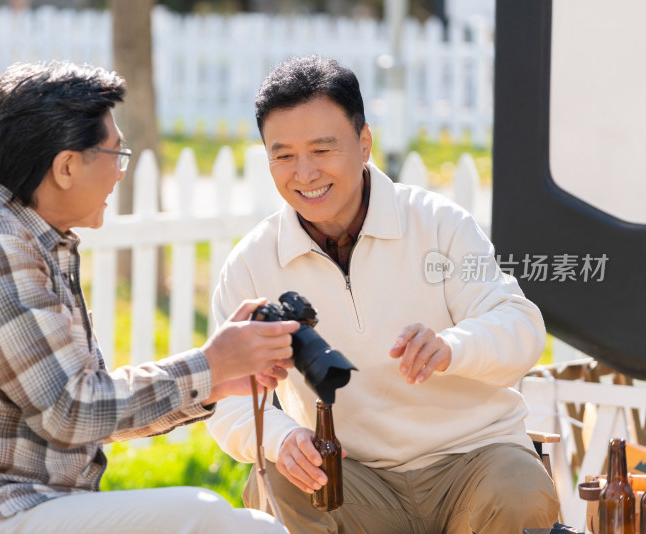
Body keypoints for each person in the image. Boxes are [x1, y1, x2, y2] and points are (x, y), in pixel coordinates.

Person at [0, 61, 298, 534]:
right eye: (116, 155)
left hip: (20, 509)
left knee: (251, 527)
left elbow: (83, 409)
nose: (120, 174)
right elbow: (72, 412)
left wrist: (216, 383)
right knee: (208, 516)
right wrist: (210, 364)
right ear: (67, 166)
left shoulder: (23, 240)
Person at [205, 55, 560, 533]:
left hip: (472, 463)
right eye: (283, 154)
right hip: (354, 478)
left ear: (364, 142)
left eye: (322, 149)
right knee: (282, 481)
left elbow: (519, 326)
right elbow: (225, 398)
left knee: (520, 488)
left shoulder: (438, 222)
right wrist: (281, 436)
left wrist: (450, 347)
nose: (304, 173)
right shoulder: (251, 262)